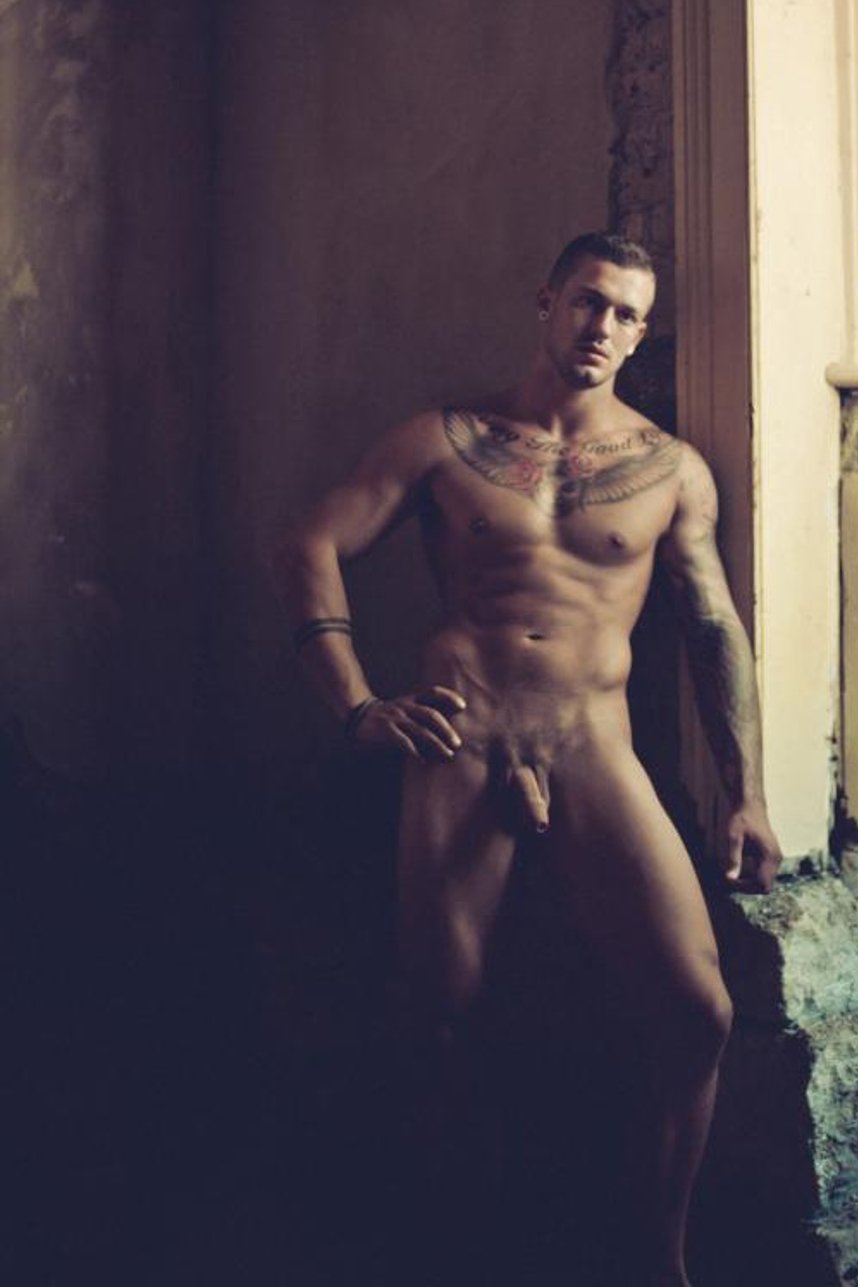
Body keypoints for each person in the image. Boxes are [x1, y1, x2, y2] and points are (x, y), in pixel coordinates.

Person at [272, 232, 782, 1286]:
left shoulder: (670, 470)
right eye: (589, 301)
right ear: (546, 300)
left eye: (627, 314)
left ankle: (658, 1258)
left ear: (642, 334)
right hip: (461, 742)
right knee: (438, 1018)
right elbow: (310, 542)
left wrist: (748, 795)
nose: (603, 326)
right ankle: (454, 1248)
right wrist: (357, 705)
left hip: (591, 746)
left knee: (699, 1011)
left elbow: (712, 624)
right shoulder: (444, 439)